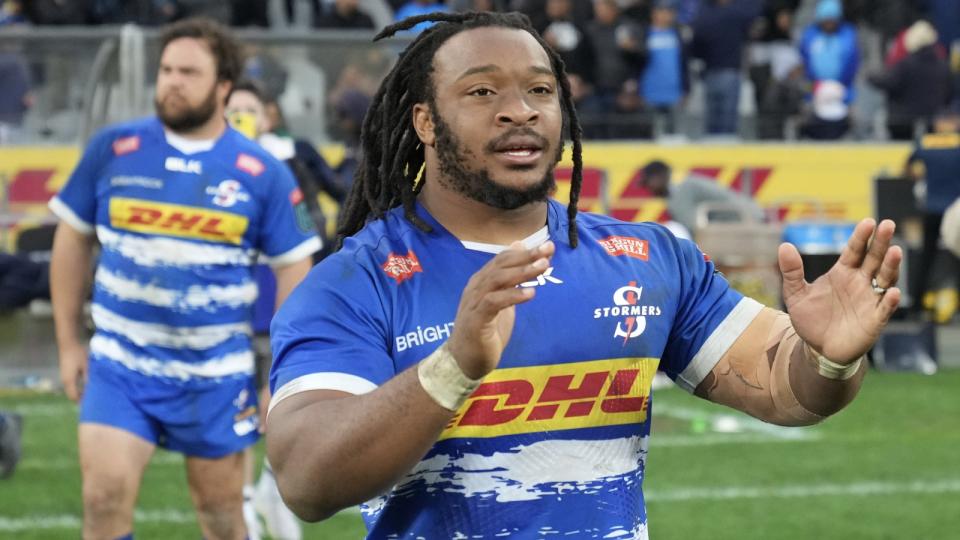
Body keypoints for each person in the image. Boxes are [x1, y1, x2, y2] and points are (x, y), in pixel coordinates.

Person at [265, 11, 902, 539]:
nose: (520, 110)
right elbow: (305, 481)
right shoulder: (356, 281)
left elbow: (781, 385)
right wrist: (454, 366)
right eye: (483, 91)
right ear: (425, 122)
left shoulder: (648, 257)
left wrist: (828, 358)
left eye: (540, 90)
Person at [48, 18, 319, 540]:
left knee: (221, 515)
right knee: (101, 500)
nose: (171, 81)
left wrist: (281, 373)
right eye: (166, 69)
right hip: (120, 365)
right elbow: (72, 235)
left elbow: (294, 267)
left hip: (215, 375)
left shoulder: (261, 171)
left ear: (222, 87)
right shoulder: (114, 148)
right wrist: (67, 342)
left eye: (188, 72)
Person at [905, 107, 960, 318]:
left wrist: (919, 180)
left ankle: (916, 305)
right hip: (955, 210)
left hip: (932, 208)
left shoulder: (927, 142)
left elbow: (908, 166)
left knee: (926, 257)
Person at [637, 159, 765, 236]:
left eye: (648, 183)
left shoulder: (680, 192)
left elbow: (691, 230)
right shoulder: (685, 184)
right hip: (751, 217)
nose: (648, 189)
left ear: (660, 177)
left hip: (748, 223)